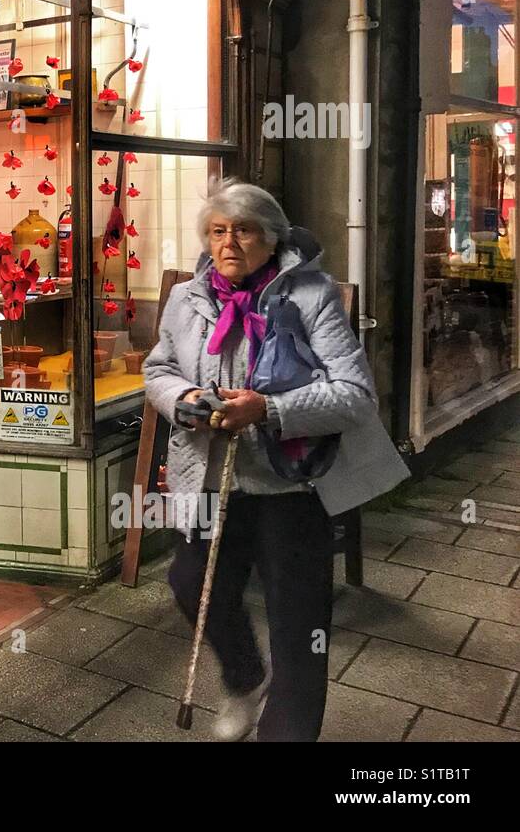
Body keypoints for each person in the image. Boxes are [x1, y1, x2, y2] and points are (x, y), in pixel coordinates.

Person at [143, 179, 407, 743]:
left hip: (293, 488)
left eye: (244, 230)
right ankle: (244, 678)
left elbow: (356, 395)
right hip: (213, 481)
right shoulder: (187, 299)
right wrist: (186, 401)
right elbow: (158, 370)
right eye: (218, 231)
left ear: (271, 238)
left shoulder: (311, 295)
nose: (229, 243)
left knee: (299, 624)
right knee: (193, 584)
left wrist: (269, 409)